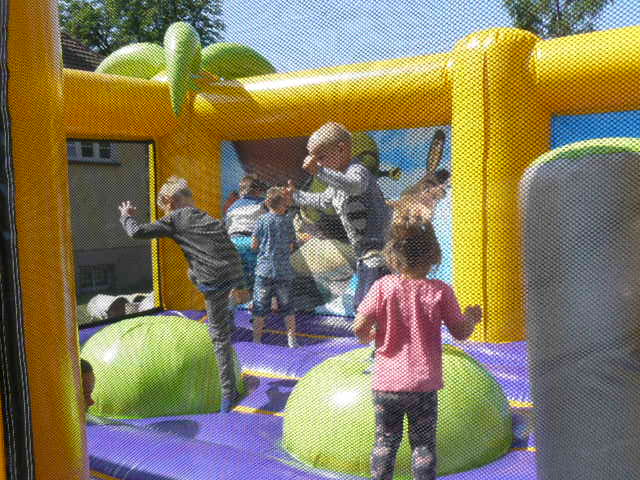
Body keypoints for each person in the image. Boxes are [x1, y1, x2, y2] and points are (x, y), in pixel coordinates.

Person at [353, 221, 482, 480]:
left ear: (393, 256)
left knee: (385, 441)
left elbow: (359, 327)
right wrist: (471, 317)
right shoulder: (440, 291)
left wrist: (368, 336)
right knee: (423, 446)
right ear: (433, 256)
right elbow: (460, 332)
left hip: (387, 384)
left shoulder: (383, 287)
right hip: (422, 385)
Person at [118, 176, 246, 412]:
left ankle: (229, 393)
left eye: (165, 207)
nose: (165, 212)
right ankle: (229, 303)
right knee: (192, 272)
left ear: (170, 201)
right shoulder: (204, 216)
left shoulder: (175, 218)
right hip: (234, 271)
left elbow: (136, 232)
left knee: (219, 337)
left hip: (213, 279)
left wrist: (126, 215)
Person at [286, 122, 393, 312]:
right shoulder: (337, 181)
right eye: (314, 159)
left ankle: (381, 329)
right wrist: (295, 196)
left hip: (377, 249)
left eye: (321, 157)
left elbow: (354, 185)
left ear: (341, 149)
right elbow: (323, 201)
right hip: (362, 252)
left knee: (366, 305)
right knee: (365, 302)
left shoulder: (357, 171)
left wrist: (319, 171)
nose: (317, 163)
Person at [251, 187, 299, 348]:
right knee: (287, 306)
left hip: (264, 270)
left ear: (267, 203)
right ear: (283, 205)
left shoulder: (262, 220)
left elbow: (254, 244)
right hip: (283, 271)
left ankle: (256, 340)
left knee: (259, 306)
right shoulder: (288, 221)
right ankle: (291, 340)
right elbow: (291, 246)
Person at [225, 174, 269, 291]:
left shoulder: (231, 208)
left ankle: (243, 296)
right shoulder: (262, 203)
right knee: (259, 273)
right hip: (252, 241)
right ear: (258, 191)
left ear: (241, 192)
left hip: (234, 243)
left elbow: (227, 227)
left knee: (241, 276)